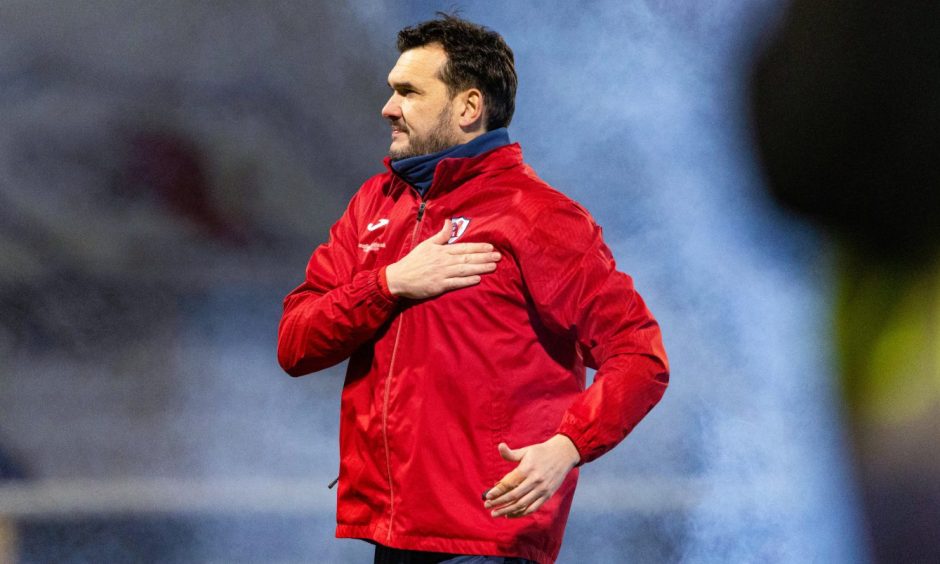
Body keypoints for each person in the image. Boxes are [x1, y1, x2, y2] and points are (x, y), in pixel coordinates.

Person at [277, 14, 669, 564]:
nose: (388, 108)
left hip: (489, 540)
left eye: (409, 92)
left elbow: (639, 354)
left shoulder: (538, 215)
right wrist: (389, 284)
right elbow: (295, 343)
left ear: (467, 107)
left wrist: (568, 445)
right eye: (392, 91)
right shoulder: (374, 203)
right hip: (395, 536)